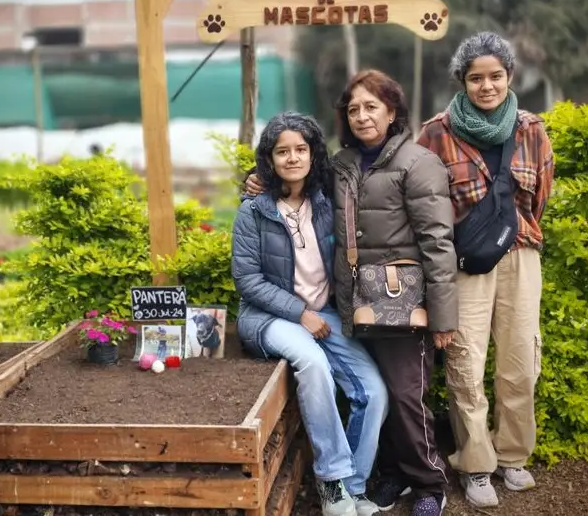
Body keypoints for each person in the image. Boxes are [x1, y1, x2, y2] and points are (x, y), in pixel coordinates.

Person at [244, 71, 458, 516]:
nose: (362, 116)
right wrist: (257, 180)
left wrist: (443, 316)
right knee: (346, 379)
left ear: (392, 112)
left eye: (371, 107)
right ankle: (358, 481)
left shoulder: (409, 165)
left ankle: (405, 487)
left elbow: (438, 242)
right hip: (326, 309)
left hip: (393, 302)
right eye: (354, 109)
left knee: (395, 393)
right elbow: (252, 270)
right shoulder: (337, 169)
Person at [416, 31, 554, 509]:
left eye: (496, 76)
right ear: (462, 81)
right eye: (477, 78)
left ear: (510, 77)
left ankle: (513, 456)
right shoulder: (436, 131)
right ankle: (476, 465)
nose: (487, 86)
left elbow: (539, 197)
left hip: (521, 254)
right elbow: (420, 196)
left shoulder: (532, 129)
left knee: (519, 361)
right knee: (465, 361)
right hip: (465, 261)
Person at [233, 111, 388, 516]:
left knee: (373, 391)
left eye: (300, 149)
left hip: (325, 314)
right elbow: (247, 281)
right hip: (269, 318)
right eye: (281, 151)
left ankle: (354, 486)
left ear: (313, 153)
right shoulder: (254, 211)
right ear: (268, 159)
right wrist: (301, 314)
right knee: (313, 364)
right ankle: (332, 483)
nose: (292, 158)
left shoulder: (326, 201)